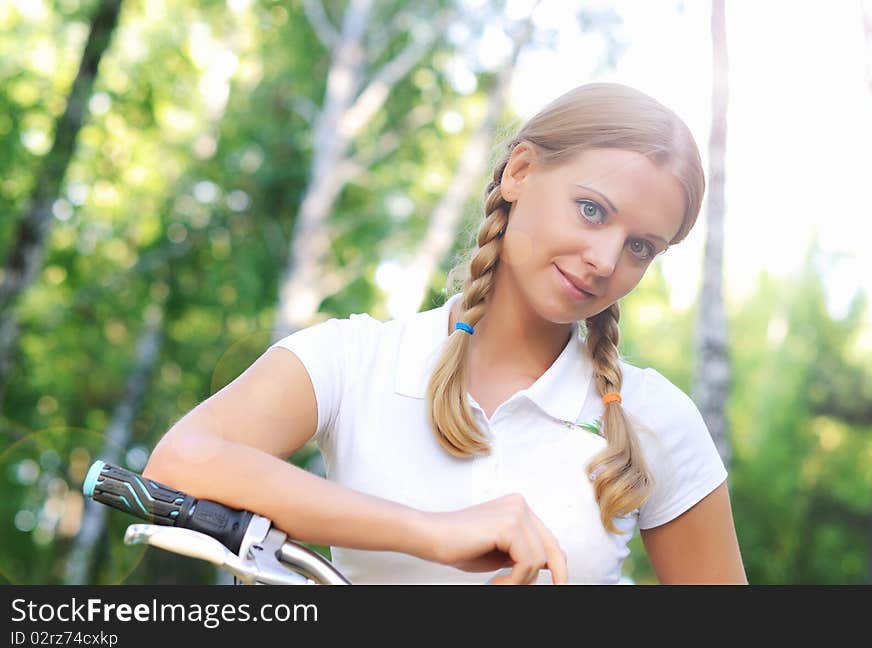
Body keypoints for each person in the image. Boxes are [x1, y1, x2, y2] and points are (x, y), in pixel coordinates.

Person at [143, 82, 748, 585]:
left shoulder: (655, 416)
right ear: (520, 171)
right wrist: (432, 532)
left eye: (640, 247)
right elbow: (179, 464)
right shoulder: (355, 359)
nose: (604, 259)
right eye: (592, 210)